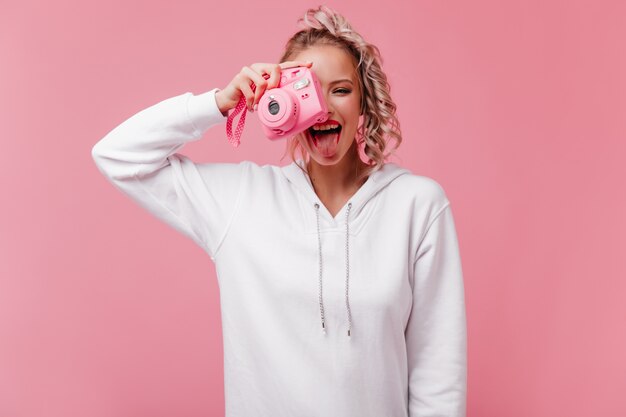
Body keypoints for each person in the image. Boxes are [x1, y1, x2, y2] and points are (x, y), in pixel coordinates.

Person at [91, 5, 467, 417]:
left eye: (340, 90)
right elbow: (117, 155)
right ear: (281, 103)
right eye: (307, 91)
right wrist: (219, 103)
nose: (323, 108)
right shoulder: (240, 200)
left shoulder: (417, 205)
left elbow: (438, 374)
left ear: (364, 102)